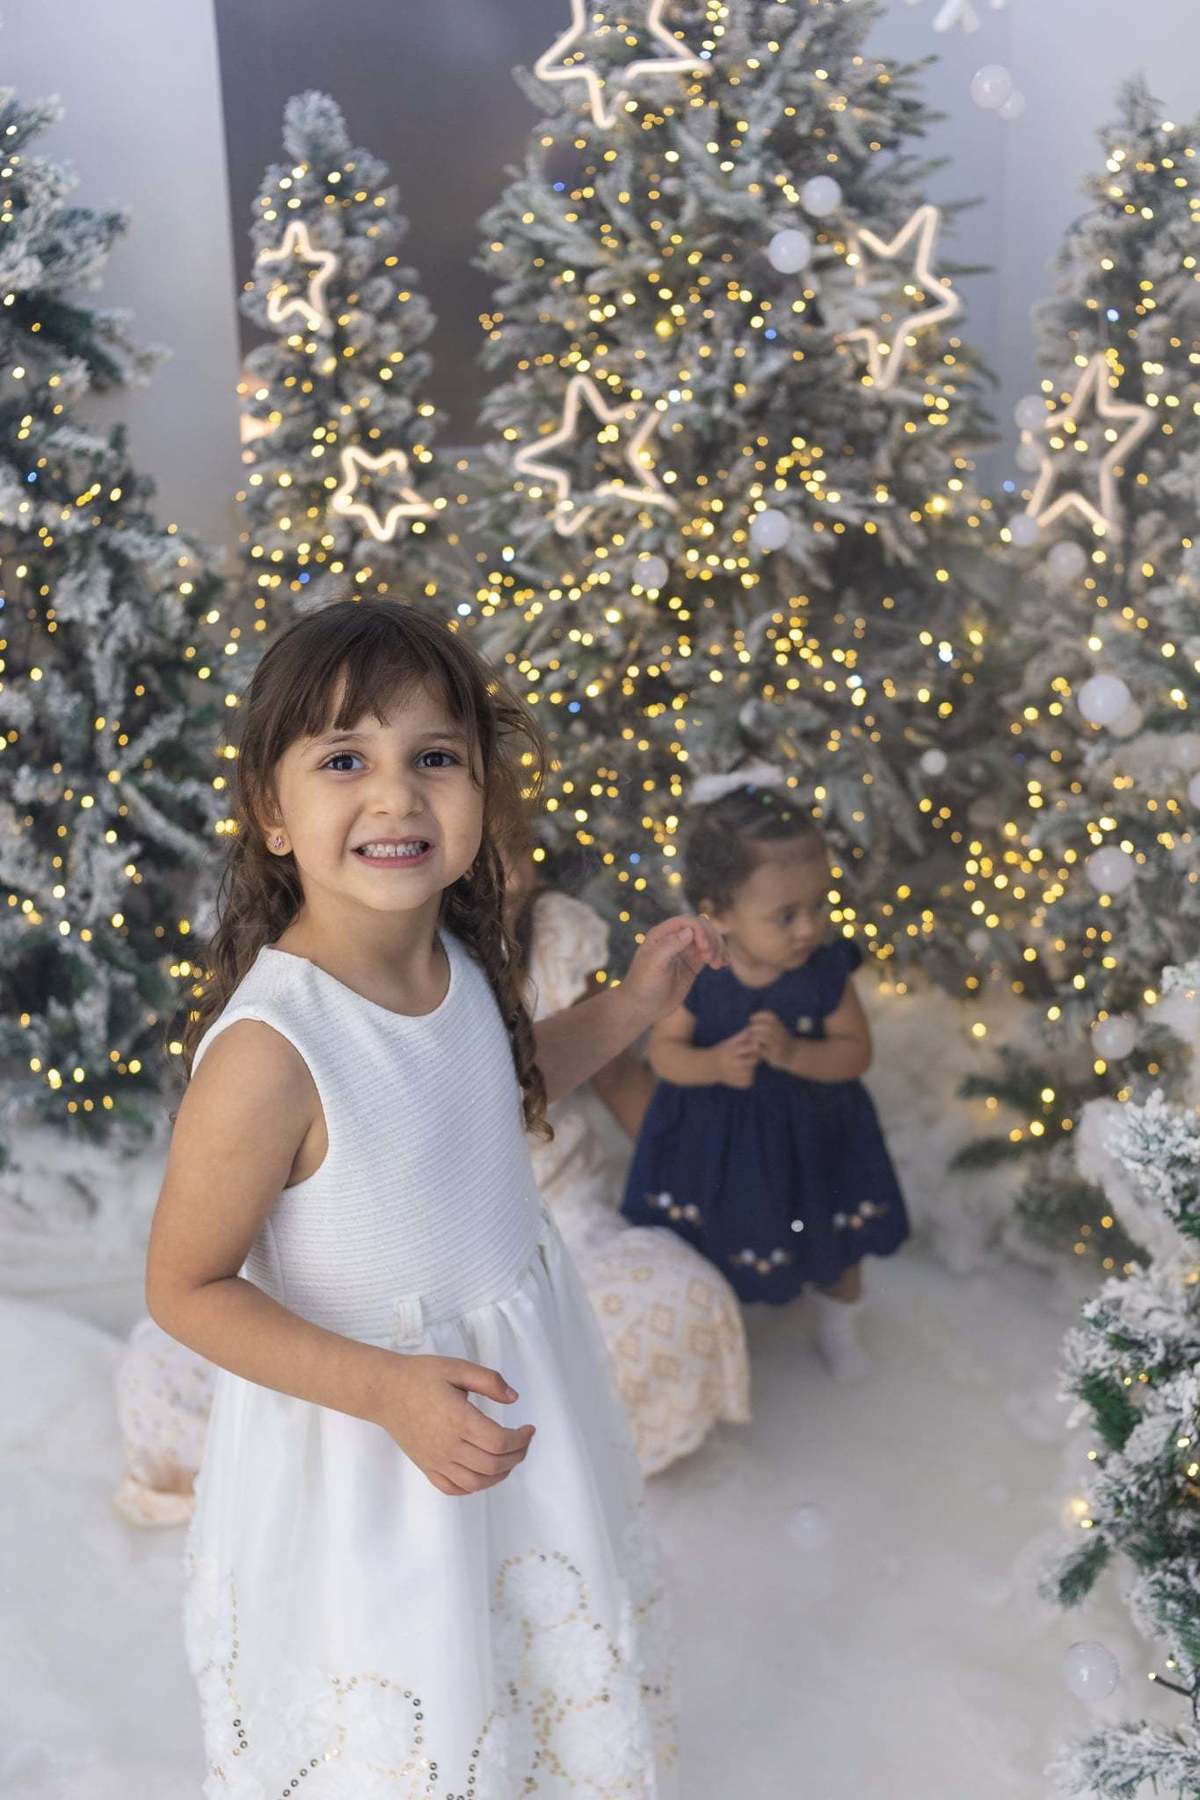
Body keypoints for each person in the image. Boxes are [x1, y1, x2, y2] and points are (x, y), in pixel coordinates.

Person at [143, 599, 724, 1799]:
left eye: (435, 758)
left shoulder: (455, 956)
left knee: (530, 1644)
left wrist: (629, 1005)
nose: (396, 796)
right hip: (368, 1438)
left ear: (481, 790)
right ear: (269, 810)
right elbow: (184, 1288)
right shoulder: (271, 1050)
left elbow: (498, 1088)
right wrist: (383, 1390)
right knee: (415, 1694)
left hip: (511, 1374)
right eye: (344, 761)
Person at [621, 767, 909, 1381]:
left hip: (814, 1140)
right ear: (718, 913)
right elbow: (664, 1055)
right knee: (722, 1231)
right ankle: (718, 1331)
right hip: (720, 1144)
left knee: (833, 1237)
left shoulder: (823, 972)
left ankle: (839, 1320)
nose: (810, 927)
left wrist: (796, 1055)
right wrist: (714, 1063)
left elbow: (856, 1052)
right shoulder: (699, 975)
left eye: (819, 905)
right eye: (786, 915)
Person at [508, 845, 751, 1477]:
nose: (509, 870)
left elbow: (618, 1075)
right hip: (452, 1239)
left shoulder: (553, 934)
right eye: (483, 851)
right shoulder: (393, 957)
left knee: (681, 1300)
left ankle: (615, 1466)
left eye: (514, 842)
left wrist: (700, 1179)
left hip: (564, 1202)